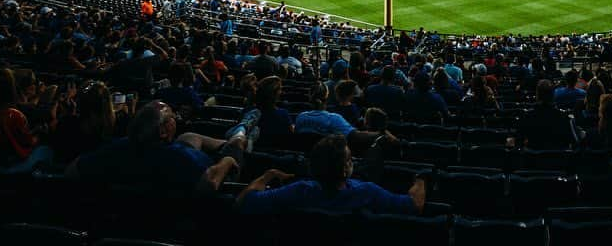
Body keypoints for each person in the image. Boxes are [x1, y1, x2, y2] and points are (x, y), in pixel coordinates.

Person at [68, 101, 247, 192]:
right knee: (237, 142)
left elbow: (71, 171)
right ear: (162, 131)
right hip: (216, 178)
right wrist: (228, 160)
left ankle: (235, 134)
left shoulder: (115, 148)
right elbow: (211, 183)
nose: (175, 119)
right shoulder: (182, 158)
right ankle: (241, 131)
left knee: (189, 136)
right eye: (171, 118)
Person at [236, 134, 425, 214]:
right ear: (345, 169)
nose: (352, 162)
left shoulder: (299, 191)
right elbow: (415, 205)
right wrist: (421, 179)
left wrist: (267, 176)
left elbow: (244, 201)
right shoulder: (367, 191)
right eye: (350, 159)